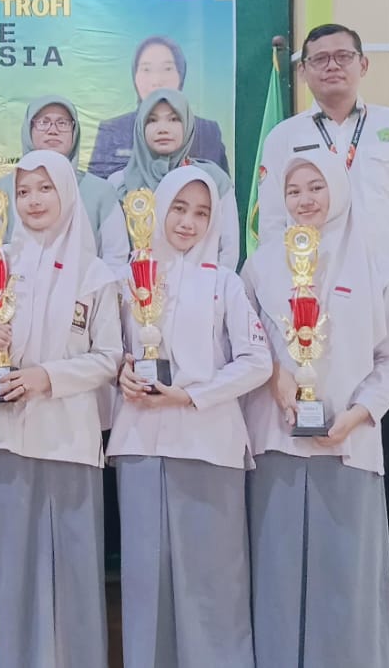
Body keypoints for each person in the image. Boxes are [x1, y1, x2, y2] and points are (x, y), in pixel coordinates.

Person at [257, 22, 389, 574]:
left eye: (343, 56)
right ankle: (315, 529)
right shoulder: (285, 136)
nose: (332, 66)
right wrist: (282, 290)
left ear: (363, 64)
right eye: (319, 59)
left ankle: (387, 538)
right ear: (304, 72)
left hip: (381, 294)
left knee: (386, 410)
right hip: (309, 297)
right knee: (313, 403)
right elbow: (272, 221)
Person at [241, 151, 389, 668]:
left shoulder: (379, 264)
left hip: (349, 447)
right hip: (276, 444)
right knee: (277, 582)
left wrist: (358, 415)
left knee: (346, 588)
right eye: (293, 191)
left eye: (316, 187)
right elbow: (243, 342)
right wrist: (274, 372)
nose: (305, 200)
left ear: (338, 188)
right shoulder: (261, 264)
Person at [108, 166, 271, 668]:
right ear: (159, 209)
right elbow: (108, 351)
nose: (187, 222)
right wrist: (121, 373)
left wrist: (193, 396)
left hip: (208, 445)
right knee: (146, 583)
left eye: (201, 213)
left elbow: (257, 362)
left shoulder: (225, 283)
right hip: (141, 444)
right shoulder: (127, 279)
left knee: (213, 585)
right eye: (178, 208)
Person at [0, 150, 122, 668]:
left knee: (76, 570)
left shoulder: (95, 273)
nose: (33, 200)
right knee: (13, 572)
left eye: (45, 188)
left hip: (70, 436)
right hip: (2, 434)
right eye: (23, 191)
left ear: (67, 193)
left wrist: (47, 378)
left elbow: (110, 357)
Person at [0, 95, 130, 265]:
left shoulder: (101, 191)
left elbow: (116, 257)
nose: (53, 130)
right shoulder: (1, 191)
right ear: (28, 129)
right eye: (43, 122)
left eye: (62, 123)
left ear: (74, 131)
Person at [110, 88, 239, 268]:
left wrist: (214, 283)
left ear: (187, 124)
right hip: (134, 284)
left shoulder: (213, 180)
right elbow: (113, 252)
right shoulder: (119, 183)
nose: (163, 129)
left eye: (173, 119)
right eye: (152, 120)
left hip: (203, 283)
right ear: (140, 127)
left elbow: (228, 249)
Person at [88, 36, 229, 179]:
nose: (156, 81)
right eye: (146, 69)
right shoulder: (112, 130)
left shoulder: (207, 131)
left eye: (167, 69)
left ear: (181, 73)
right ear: (134, 76)